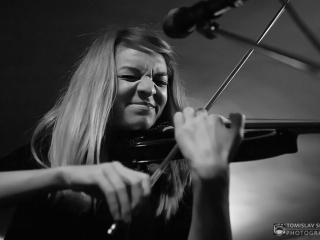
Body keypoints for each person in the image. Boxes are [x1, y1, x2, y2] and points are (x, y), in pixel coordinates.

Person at [0, 26, 245, 240]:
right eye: (130, 76)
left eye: (161, 81)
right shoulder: (48, 153)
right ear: (99, 85)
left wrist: (213, 181)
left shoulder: (176, 175)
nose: (150, 89)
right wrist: (61, 176)